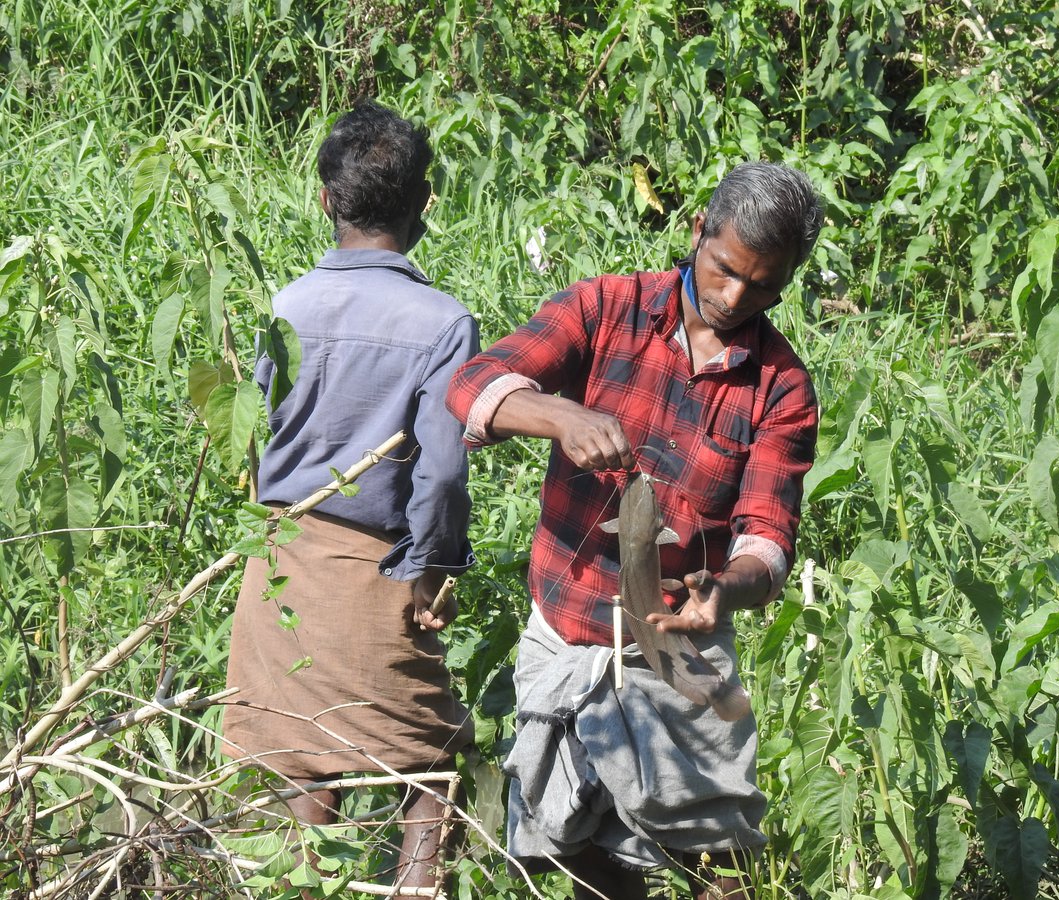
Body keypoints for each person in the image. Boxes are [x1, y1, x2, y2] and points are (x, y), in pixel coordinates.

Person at [446, 162, 823, 899]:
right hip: (565, 630)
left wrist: (726, 591)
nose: (734, 297)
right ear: (697, 235)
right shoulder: (606, 308)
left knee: (720, 857)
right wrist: (562, 415)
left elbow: (769, 536)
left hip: (678, 647)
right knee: (566, 840)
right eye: (724, 270)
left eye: (763, 286)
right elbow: (472, 384)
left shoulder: (780, 385)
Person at [221, 101, 478, 892]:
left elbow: (260, 431)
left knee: (303, 755)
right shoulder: (443, 322)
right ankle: (416, 887)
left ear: (325, 200)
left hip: (286, 559)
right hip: (379, 569)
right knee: (429, 761)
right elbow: (439, 470)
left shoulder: (287, 305)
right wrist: (433, 567)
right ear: (423, 204)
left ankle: (309, 884)